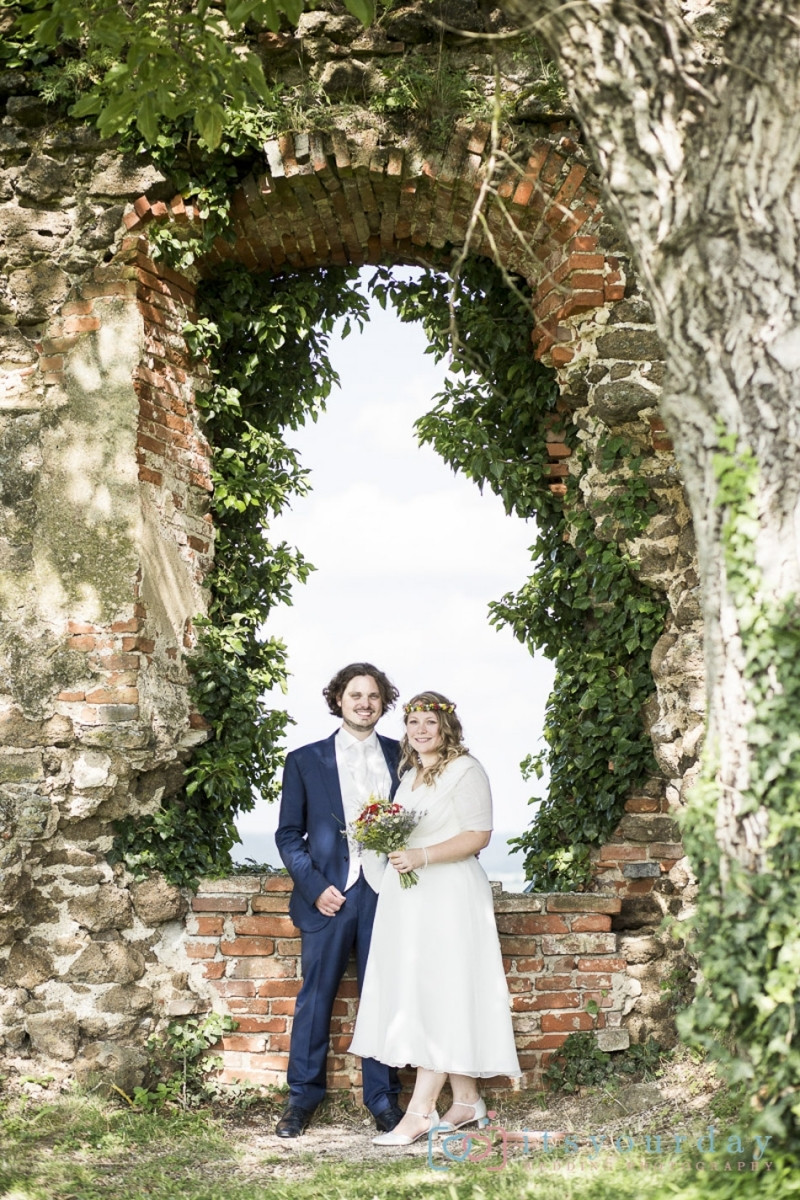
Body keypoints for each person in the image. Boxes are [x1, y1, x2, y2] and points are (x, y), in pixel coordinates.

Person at [349, 691, 521, 1146]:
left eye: (429, 722)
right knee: (432, 990)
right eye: (413, 723)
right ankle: (466, 1102)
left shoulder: (466, 770)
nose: (420, 730)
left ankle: (420, 1111)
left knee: (443, 991)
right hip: (414, 897)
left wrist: (422, 855)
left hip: (450, 893)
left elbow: (478, 835)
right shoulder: (409, 775)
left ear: (447, 727)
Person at [273, 663, 405, 1138]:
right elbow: (288, 835)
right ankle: (302, 1099)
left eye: (373, 696)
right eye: (356, 695)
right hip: (328, 897)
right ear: (339, 700)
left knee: (383, 997)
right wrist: (315, 887)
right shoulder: (305, 760)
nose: (364, 703)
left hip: (385, 894)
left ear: (383, 702)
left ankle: (383, 1100)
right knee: (315, 998)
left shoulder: (402, 756)